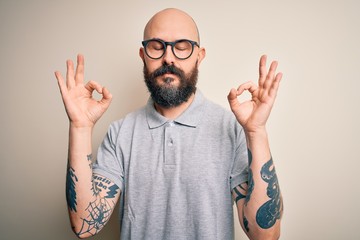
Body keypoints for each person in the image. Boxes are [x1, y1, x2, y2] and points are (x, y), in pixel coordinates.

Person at [55, 8, 283, 240]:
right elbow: (85, 225)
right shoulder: (120, 133)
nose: (169, 57)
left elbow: (265, 235)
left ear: (199, 56)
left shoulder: (231, 129)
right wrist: (80, 128)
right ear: (143, 55)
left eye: (182, 46)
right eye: (157, 46)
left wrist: (256, 132)